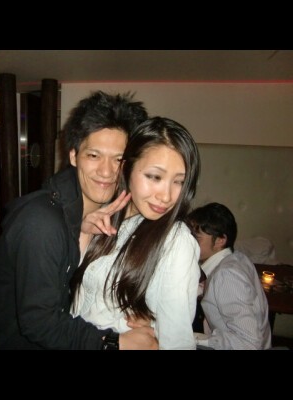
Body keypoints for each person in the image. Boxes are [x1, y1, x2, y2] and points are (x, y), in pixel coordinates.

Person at [0, 90, 158, 350]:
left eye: (119, 159)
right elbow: (39, 322)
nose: (106, 171)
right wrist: (113, 343)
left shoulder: (90, 218)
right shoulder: (41, 222)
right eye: (94, 155)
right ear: (73, 156)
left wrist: (129, 314)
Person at [71, 116, 202, 350]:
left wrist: (154, 327)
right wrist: (83, 233)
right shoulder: (104, 216)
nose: (166, 196)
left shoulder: (176, 241)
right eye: (154, 177)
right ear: (127, 168)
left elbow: (177, 342)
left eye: (179, 182)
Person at [187, 202, 272, 350]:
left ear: (220, 240)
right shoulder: (238, 258)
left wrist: (192, 338)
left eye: (196, 238)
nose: (189, 242)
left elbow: (249, 342)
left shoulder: (226, 276)